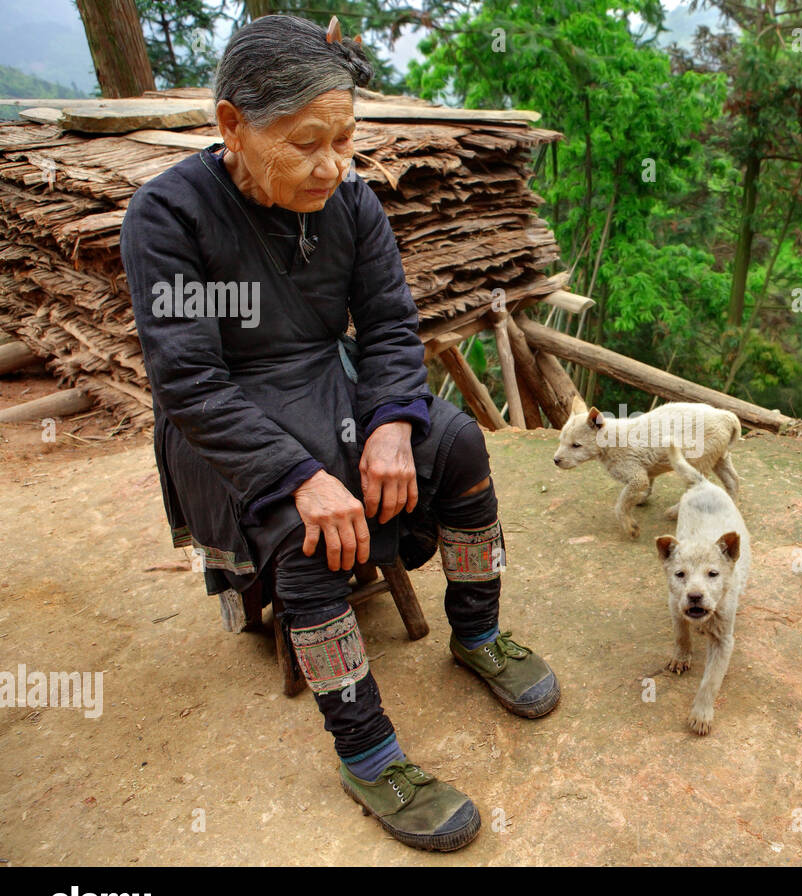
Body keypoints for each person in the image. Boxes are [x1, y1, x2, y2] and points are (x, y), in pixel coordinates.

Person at [119, 13, 559, 852]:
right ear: (230, 127)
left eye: (345, 141)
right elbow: (188, 380)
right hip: (228, 421)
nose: (332, 165)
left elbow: (391, 325)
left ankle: (479, 631)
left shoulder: (349, 200)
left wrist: (395, 423)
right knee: (306, 527)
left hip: (337, 381)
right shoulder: (168, 217)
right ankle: (367, 752)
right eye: (306, 143)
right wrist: (297, 477)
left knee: (458, 441)